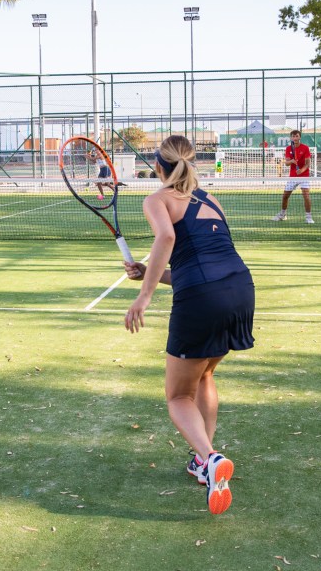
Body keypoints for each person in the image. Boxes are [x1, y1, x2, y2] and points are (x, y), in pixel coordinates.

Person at [123, 135, 255, 515]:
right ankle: (203, 463)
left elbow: (167, 236)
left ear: (157, 166)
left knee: (178, 396)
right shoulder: (210, 198)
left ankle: (211, 458)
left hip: (204, 298)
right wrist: (152, 274)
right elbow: (197, 263)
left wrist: (144, 295)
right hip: (240, 290)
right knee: (204, 376)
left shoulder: (158, 199)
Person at [272, 129, 314, 224]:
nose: (295, 138)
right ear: (291, 138)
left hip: (304, 176)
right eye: (293, 136)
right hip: (293, 177)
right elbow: (287, 163)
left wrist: (301, 170)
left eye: (297, 136)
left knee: (306, 195)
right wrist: (291, 161)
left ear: (300, 137)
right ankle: (282, 215)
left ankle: (308, 217)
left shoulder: (305, 148)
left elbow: (308, 164)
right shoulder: (288, 149)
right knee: (285, 196)